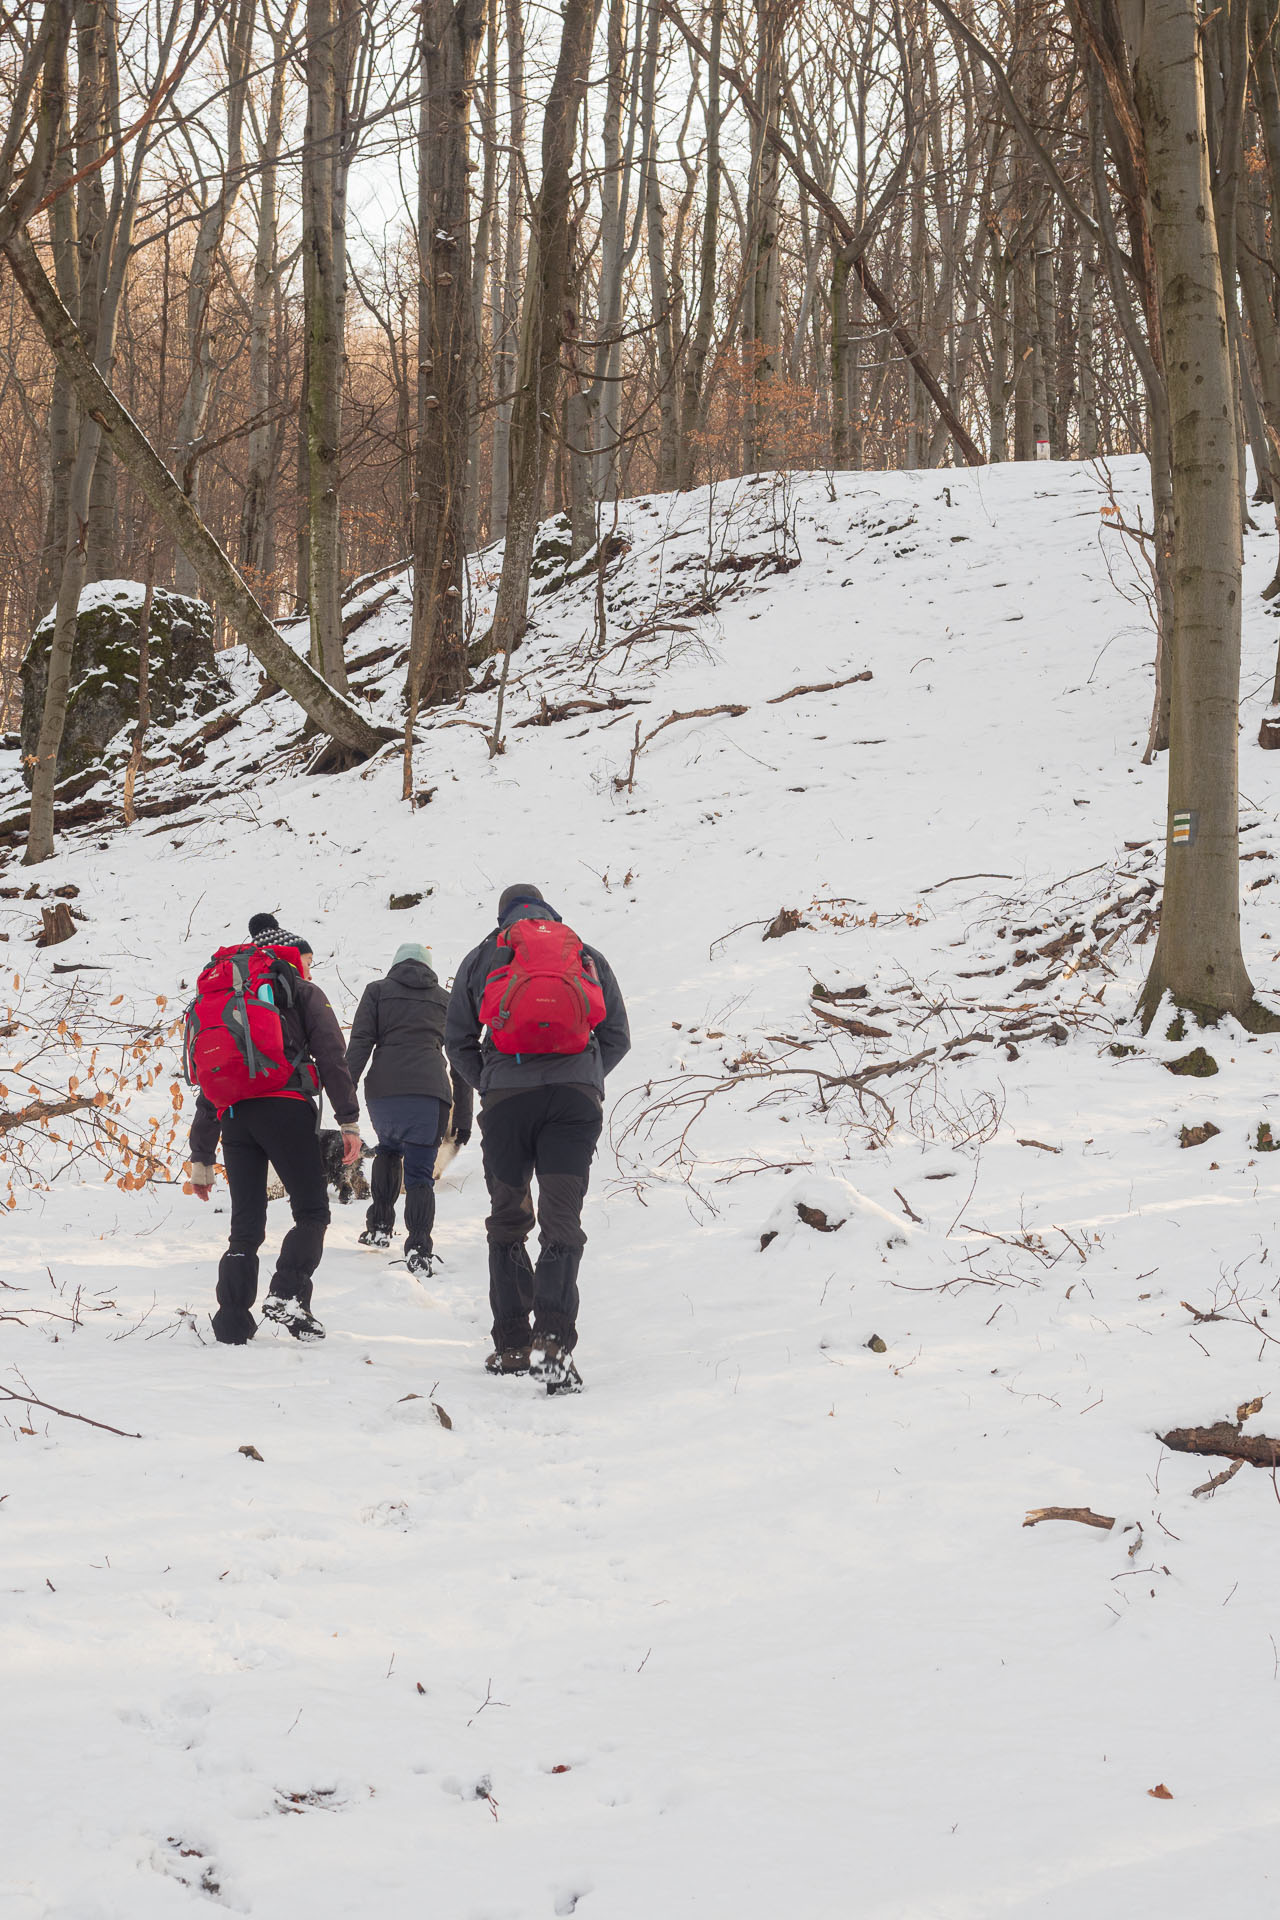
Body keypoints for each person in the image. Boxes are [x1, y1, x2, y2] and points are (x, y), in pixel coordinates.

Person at [445, 883, 630, 1392]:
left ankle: (510, 1346)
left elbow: (456, 1037)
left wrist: (487, 1082)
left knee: (509, 1218)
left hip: (507, 1101)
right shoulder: (583, 951)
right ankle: (552, 1343)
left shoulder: (484, 954)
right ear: (549, 910)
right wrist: (586, 1077)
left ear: (503, 915)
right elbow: (617, 1036)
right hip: (573, 1102)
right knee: (561, 1219)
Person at [187, 912, 361, 1345]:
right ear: (292, 954)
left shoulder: (230, 996)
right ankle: (287, 1296)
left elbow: (215, 1079)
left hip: (234, 1116)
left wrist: (202, 1155)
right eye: (308, 958)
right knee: (312, 1211)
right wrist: (348, 1119)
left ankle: (231, 1321)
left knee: (246, 1224)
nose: (309, 966)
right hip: (284, 1108)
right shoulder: (299, 990)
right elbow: (332, 1056)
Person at [345, 940, 473, 1276]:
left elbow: (360, 1042)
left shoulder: (377, 992)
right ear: (429, 967)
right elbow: (460, 1061)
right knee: (419, 1172)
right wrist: (463, 1116)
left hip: (383, 1094)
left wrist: (344, 1092)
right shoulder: (445, 1001)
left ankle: (379, 1227)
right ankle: (418, 1247)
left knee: (388, 1151)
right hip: (430, 1096)